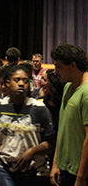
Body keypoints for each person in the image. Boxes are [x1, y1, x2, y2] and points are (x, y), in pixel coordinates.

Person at [0, 63, 54, 185]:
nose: (21, 84)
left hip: (35, 170)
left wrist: (32, 151)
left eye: (25, 81)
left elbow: (50, 142)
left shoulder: (39, 108)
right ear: (7, 83)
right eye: (17, 80)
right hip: (4, 168)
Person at [50, 44, 88, 186]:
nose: (55, 71)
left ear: (72, 65)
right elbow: (63, 128)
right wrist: (56, 163)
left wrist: (81, 177)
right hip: (65, 169)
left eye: (58, 67)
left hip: (80, 174)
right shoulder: (68, 87)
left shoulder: (86, 93)